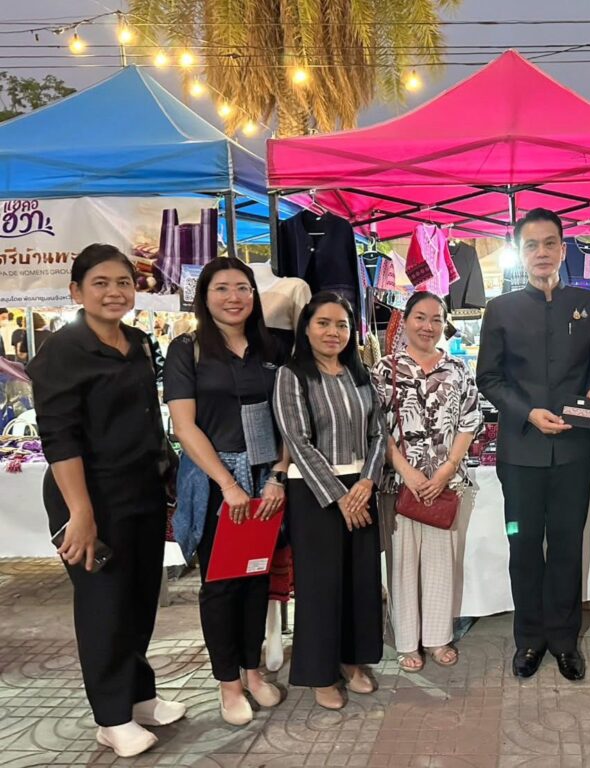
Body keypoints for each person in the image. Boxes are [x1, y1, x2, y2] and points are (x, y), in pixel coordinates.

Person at [27, 244, 186, 758]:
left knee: (139, 598)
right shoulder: (61, 351)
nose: (114, 292)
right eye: (100, 283)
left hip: (140, 491)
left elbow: (146, 419)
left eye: (123, 282)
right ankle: (112, 718)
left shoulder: (137, 342)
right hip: (88, 498)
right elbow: (60, 439)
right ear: (76, 291)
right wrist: (80, 513)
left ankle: (139, 696)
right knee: (104, 604)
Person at [477, 208, 590, 681]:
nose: (541, 252)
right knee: (524, 546)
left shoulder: (587, 303)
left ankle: (565, 640)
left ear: (562, 248)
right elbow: (489, 378)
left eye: (549, 243)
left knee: (568, 546)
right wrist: (528, 411)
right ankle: (530, 639)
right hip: (521, 453)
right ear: (520, 252)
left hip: (573, 451)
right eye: (531, 244)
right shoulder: (501, 309)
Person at [164, 257, 287, 726]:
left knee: (257, 577)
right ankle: (228, 684)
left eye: (242, 288)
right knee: (220, 585)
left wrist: (277, 475)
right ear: (205, 296)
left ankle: (252, 671)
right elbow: (184, 426)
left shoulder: (271, 347)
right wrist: (228, 484)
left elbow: (288, 418)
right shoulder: (188, 349)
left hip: (266, 482)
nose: (234, 297)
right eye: (222, 288)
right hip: (218, 483)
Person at [273, 292, 387, 710]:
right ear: (306, 328)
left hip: (361, 487)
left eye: (341, 325)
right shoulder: (292, 375)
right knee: (321, 585)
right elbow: (297, 441)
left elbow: (379, 433)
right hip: (315, 492)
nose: (333, 332)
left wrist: (368, 482)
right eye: (323, 323)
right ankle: (320, 673)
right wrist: (340, 496)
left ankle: (351, 660)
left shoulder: (361, 375)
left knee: (360, 581)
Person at [370, 292, 482, 673]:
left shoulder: (457, 369)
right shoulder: (385, 369)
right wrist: (407, 471)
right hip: (399, 484)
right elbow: (377, 428)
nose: (428, 326)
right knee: (401, 565)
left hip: (444, 484)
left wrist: (447, 469)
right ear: (405, 321)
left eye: (436, 319)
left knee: (440, 563)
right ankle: (406, 641)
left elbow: (470, 420)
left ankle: (437, 637)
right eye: (420, 317)